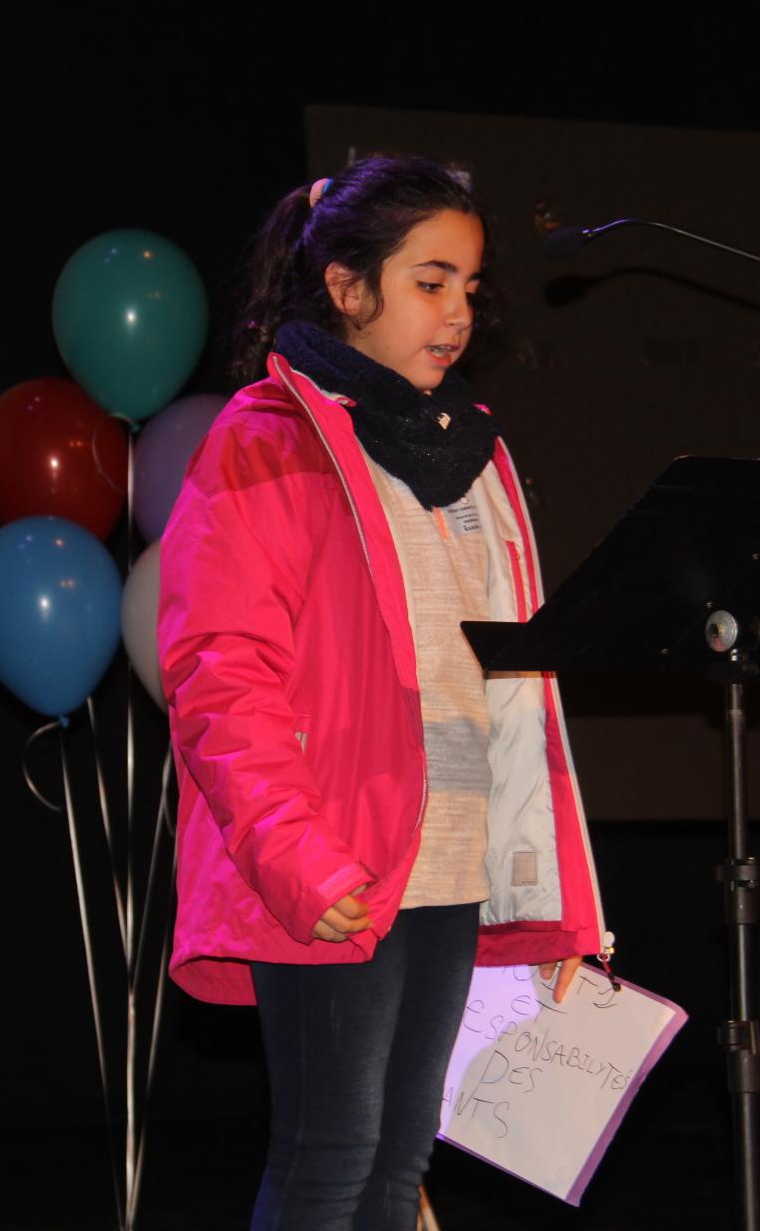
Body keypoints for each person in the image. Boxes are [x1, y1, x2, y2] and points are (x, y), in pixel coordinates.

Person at [158, 154, 611, 1230]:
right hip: (335, 857)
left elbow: (514, 687)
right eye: (430, 281)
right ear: (349, 287)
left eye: (470, 287)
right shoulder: (268, 440)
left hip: (451, 851)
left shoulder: (475, 454)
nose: (458, 313)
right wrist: (296, 855)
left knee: (402, 1158)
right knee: (332, 1151)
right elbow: (220, 669)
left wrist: (548, 888)